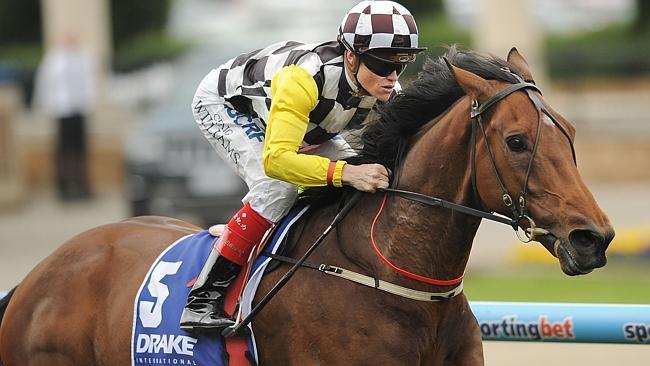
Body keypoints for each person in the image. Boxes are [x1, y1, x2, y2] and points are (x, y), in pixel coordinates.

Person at [180, 0, 426, 332]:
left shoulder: (384, 87)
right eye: (383, 65)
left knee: (360, 171)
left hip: (306, 126)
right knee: (278, 187)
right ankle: (203, 298)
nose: (392, 77)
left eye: (402, 64)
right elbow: (277, 160)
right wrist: (346, 173)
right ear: (351, 56)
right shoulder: (303, 78)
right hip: (226, 105)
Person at [33, 32, 95, 201]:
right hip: (62, 110)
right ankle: (64, 188)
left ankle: (82, 186)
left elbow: (87, 83)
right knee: (64, 150)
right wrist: (46, 106)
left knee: (79, 150)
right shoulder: (54, 60)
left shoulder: (82, 58)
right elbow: (45, 84)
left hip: (78, 109)